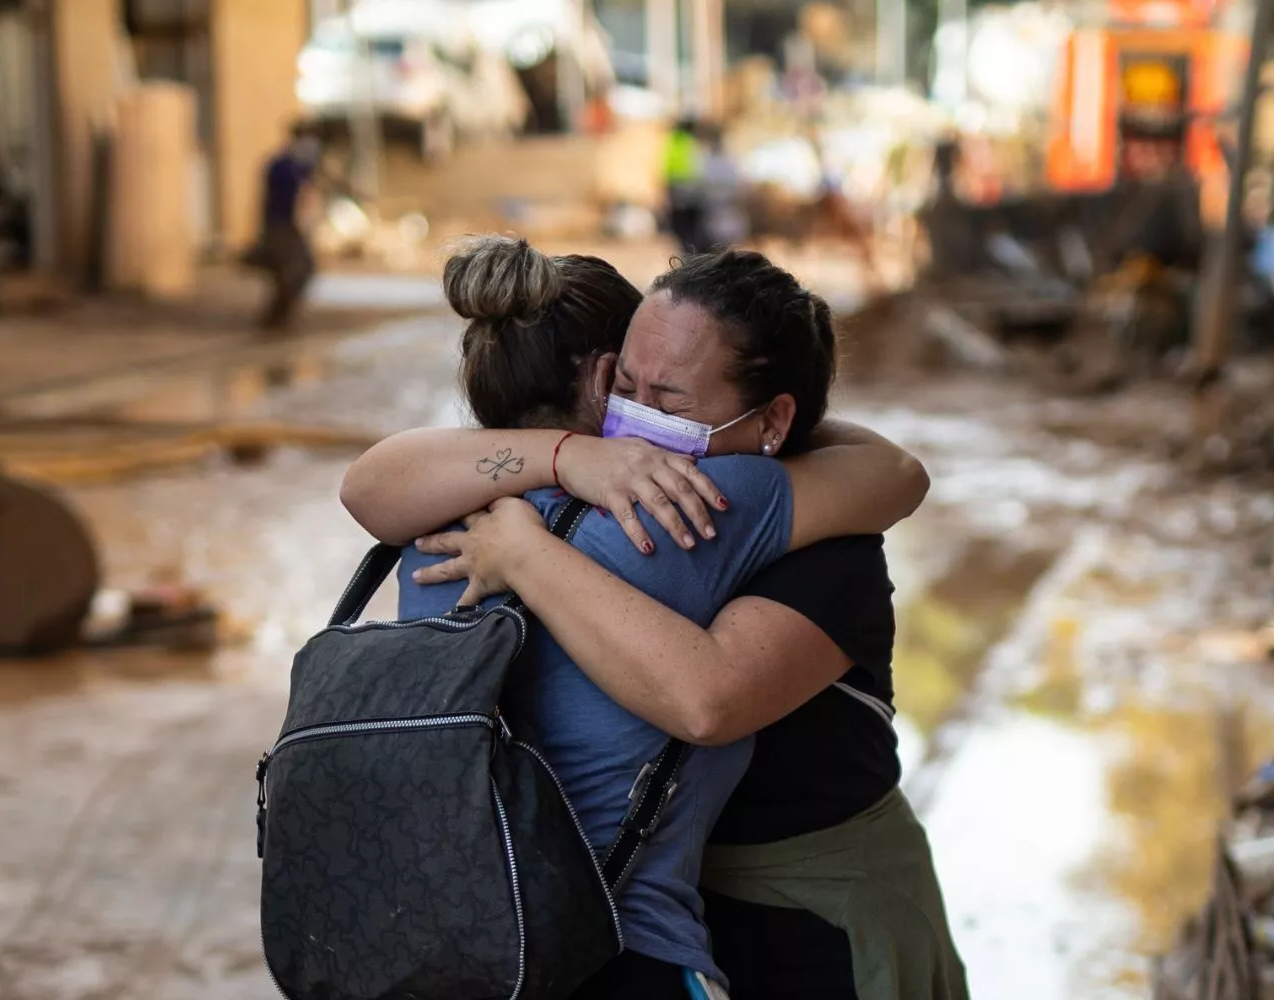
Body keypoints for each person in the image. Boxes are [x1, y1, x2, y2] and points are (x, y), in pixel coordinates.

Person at [343, 246, 967, 1000]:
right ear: (604, 377)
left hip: (811, 922)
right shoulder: (631, 492)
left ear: (773, 419)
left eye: (668, 401)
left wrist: (527, 550)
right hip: (635, 923)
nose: (639, 419)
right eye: (629, 390)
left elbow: (710, 697)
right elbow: (370, 483)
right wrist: (567, 457)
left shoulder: (790, 528)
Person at [247, 123, 321, 331]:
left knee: (296, 272)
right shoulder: (281, 166)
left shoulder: (300, 166)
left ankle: (278, 318)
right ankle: (275, 318)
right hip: (280, 227)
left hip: (292, 228)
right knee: (293, 271)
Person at [662, 118, 706, 252]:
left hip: (677, 187)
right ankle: (690, 248)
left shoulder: (672, 142)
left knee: (680, 223)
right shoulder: (692, 143)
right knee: (691, 224)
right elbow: (698, 167)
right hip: (690, 188)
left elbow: (666, 166)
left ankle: (685, 247)